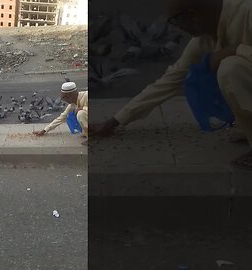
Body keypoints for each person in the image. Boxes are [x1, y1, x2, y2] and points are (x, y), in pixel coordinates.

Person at [90, 0, 252, 169]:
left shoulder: (247, 12)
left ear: (193, 14)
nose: (178, 27)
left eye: (175, 20)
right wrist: (115, 121)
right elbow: (168, 82)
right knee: (206, 74)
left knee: (230, 68)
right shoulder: (204, 40)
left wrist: (236, 50)